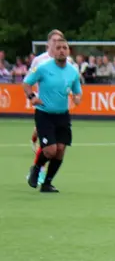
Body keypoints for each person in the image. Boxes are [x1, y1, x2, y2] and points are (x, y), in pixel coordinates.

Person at [23, 39, 82, 193]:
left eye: (65, 48)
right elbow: (26, 83)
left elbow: (77, 91)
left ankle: (47, 183)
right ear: (53, 51)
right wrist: (32, 97)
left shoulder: (72, 71)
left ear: (68, 51)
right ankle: (36, 169)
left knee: (61, 150)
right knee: (50, 151)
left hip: (63, 115)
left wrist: (77, 98)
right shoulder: (43, 68)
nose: (62, 50)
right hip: (44, 114)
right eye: (58, 48)